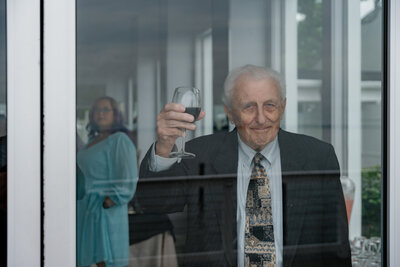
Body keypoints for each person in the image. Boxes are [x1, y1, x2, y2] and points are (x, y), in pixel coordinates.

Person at [138, 65, 351, 266]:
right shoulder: (200, 155)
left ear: (282, 107)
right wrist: (164, 146)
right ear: (230, 112)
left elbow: (337, 246)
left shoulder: (318, 156)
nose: (260, 118)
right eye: (249, 107)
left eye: (270, 105)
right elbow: (155, 204)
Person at [77, 96, 138, 267]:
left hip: (104, 212)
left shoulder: (119, 140)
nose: (100, 114)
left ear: (115, 115)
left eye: (105, 109)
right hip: (85, 209)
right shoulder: (91, 142)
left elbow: (129, 178)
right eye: (96, 110)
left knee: (105, 259)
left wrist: (108, 202)